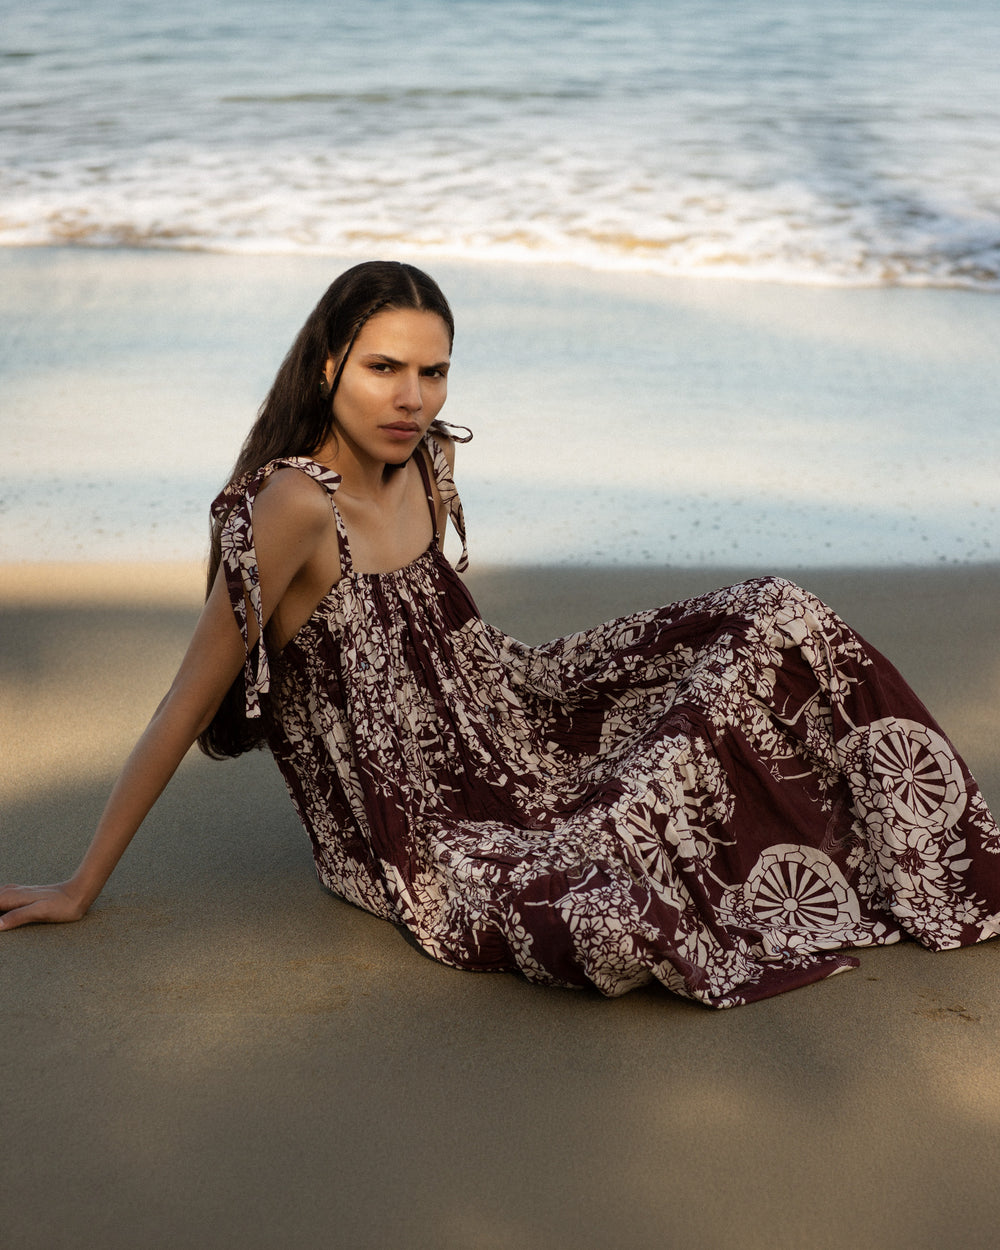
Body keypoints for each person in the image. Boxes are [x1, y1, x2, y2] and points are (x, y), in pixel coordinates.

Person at [2, 260, 998, 1009]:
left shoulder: (428, 457)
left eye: (433, 371)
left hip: (508, 710)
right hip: (419, 821)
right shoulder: (289, 505)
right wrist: (81, 882)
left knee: (774, 616)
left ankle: (939, 856)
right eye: (384, 368)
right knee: (617, 897)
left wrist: (539, 724)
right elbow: (188, 693)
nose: (412, 397)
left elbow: (447, 647)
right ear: (327, 365)